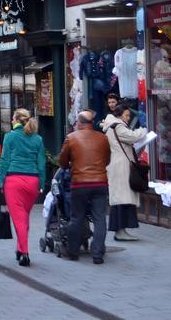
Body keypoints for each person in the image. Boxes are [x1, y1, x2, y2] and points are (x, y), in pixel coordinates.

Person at [59, 109, 111, 264]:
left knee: (77, 217)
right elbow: (107, 160)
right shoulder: (103, 138)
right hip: (100, 183)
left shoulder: (71, 138)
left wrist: (72, 165)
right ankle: (97, 254)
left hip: (80, 183)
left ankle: (73, 251)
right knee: (99, 218)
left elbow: (62, 162)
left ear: (79, 123)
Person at [0, 108, 46, 266]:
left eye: (12, 118)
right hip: (32, 181)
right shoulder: (37, 139)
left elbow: (4, 160)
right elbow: (42, 164)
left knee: (19, 219)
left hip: (14, 180)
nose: (11, 121)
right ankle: (20, 247)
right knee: (24, 217)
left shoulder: (10, 137)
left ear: (17, 119)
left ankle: (24, 253)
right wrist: (42, 184)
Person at [101, 107, 147, 242]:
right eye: (126, 115)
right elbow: (133, 137)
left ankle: (122, 230)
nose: (128, 118)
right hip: (120, 166)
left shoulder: (113, 126)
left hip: (119, 165)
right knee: (122, 198)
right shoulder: (117, 127)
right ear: (119, 115)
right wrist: (143, 128)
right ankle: (120, 231)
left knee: (122, 198)